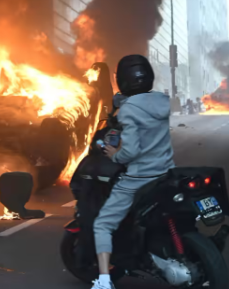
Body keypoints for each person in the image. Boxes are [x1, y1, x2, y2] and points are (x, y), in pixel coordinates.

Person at [91, 55, 175, 289]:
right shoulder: (162, 102)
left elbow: (130, 151)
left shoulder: (128, 111)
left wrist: (113, 155)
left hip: (139, 178)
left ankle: (104, 281)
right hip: (166, 173)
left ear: (123, 81)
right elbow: (142, 110)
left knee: (102, 225)